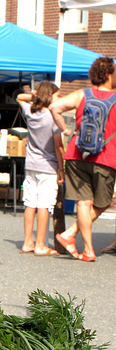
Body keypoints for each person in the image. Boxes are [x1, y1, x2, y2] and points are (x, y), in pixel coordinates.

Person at [50, 56, 116, 262]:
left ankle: (87, 249)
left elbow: (55, 108)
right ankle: (70, 235)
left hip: (76, 154)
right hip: (106, 156)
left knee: (83, 203)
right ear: (108, 75)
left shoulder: (82, 94)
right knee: (103, 203)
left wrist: (66, 129)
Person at [17, 82, 65, 256]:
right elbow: (58, 146)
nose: (58, 99)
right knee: (44, 205)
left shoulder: (31, 112)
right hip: (48, 165)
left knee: (30, 203)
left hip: (31, 163)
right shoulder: (53, 117)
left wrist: (35, 96)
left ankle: (27, 242)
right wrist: (61, 168)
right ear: (50, 96)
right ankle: (40, 245)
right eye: (57, 95)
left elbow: (19, 97)